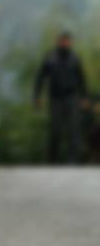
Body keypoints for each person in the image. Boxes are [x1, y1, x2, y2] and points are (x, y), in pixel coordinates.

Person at [34, 32, 88, 164]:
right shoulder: (50, 58)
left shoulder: (75, 59)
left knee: (73, 130)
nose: (65, 43)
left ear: (70, 43)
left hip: (72, 98)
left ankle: (73, 161)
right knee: (55, 130)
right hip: (55, 98)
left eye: (67, 41)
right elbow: (40, 77)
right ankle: (52, 160)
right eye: (63, 41)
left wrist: (84, 98)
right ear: (58, 42)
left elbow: (81, 79)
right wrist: (37, 96)